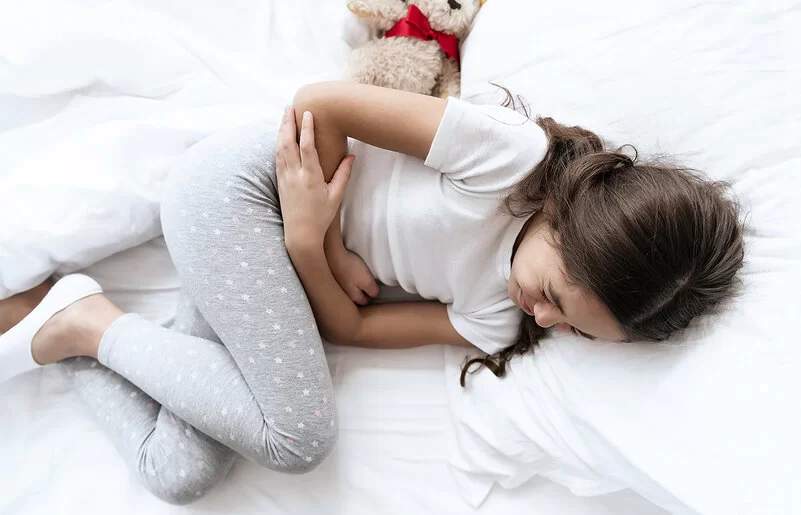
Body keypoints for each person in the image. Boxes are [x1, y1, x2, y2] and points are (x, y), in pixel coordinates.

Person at [0, 82, 744, 503]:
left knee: (180, 471)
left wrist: (306, 252)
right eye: (553, 290)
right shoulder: (510, 161)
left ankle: (67, 324)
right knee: (300, 437)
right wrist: (315, 230)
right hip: (241, 192)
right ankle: (86, 322)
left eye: (569, 330)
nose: (539, 315)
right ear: (568, 212)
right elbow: (326, 104)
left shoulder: (495, 320)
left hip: (276, 260)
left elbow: (350, 327)